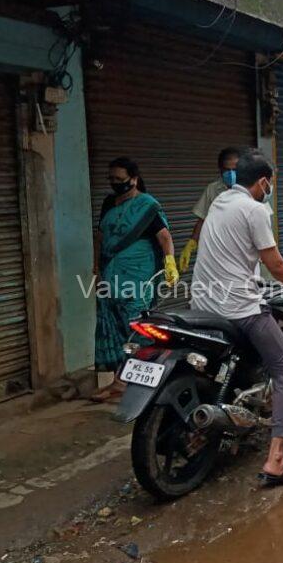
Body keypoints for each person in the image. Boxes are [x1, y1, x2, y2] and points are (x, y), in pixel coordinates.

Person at [190, 148, 283, 486]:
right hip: (238, 309)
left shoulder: (220, 202)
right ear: (264, 182)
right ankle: (276, 459)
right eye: (270, 184)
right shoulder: (256, 209)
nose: (270, 189)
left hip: (202, 305)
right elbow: (276, 266)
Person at [92, 157, 179, 402]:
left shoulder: (148, 205)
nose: (114, 183)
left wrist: (170, 262)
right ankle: (118, 382)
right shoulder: (109, 202)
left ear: (134, 179)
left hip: (138, 276)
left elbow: (164, 237)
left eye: (119, 179)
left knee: (136, 327)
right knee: (113, 327)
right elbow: (99, 237)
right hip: (111, 273)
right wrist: (96, 267)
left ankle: (133, 382)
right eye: (111, 179)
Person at [177, 147, 241, 273]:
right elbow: (202, 218)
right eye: (227, 170)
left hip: (243, 251)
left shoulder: (251, 188)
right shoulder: (212, 189)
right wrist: (191, 243)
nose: (231, 173)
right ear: (220, 169)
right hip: (219, 252)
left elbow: (263, 221)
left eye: (235, 170)